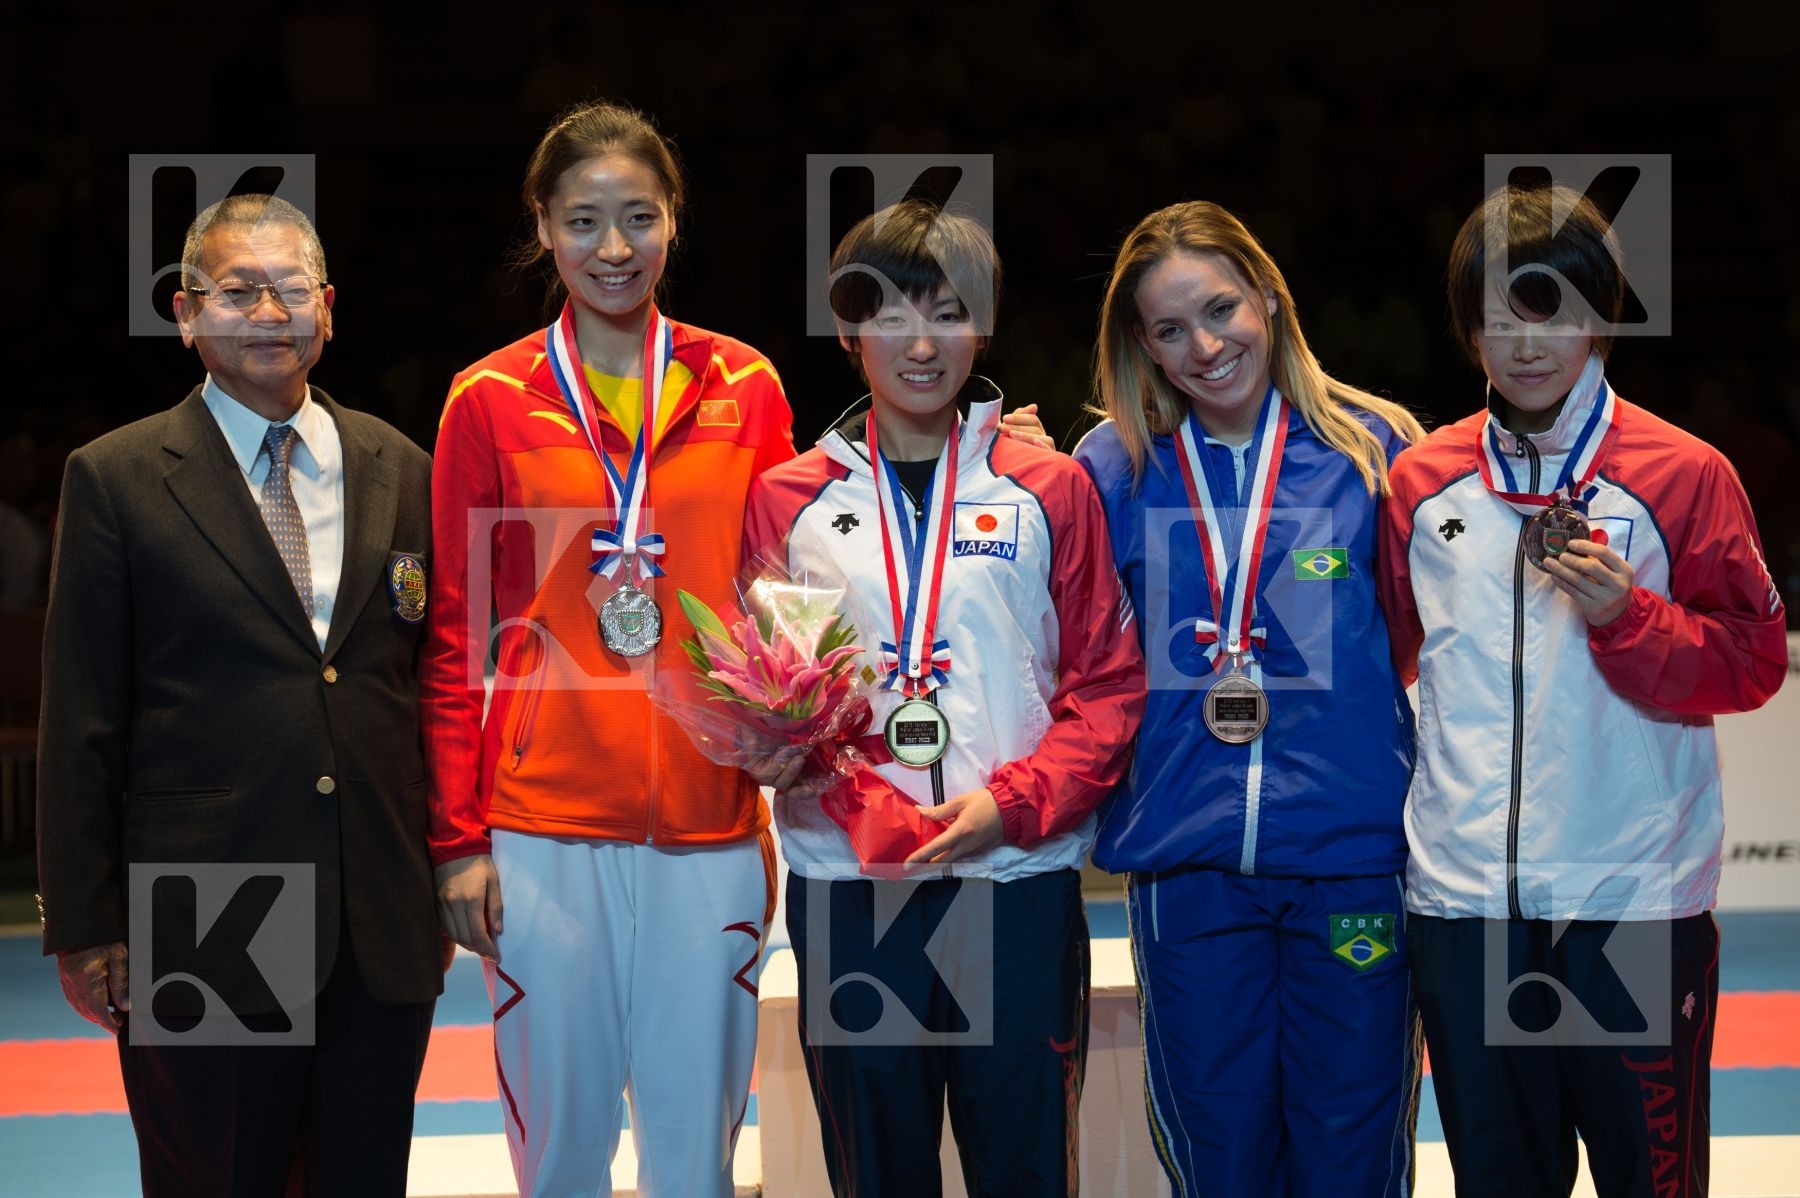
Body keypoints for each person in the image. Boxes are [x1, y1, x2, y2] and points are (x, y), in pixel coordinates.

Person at [1379, 182, 1789, 1198]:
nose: (1526, 342)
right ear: (1467, 326)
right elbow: (1391, 674)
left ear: (1602, 313)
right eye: (1499, 314)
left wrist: (1630, 617)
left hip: (1631, 906)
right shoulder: (1419, 486)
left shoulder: (1685, 475)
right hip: (1466, 910)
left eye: (1554, 308)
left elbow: (1754, 660)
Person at [36, 193, 442, 1196]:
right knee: (215, 1179)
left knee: (364, 1177)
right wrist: (85, 918)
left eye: (291, 289)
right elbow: (81, 713)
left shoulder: (405, 466)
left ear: (330, 308)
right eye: (238, 290)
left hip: (377, 906)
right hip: (202, 901)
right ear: (185, 312)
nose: (268, 312)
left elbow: (430, 686)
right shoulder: (118, 476)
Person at [744, 198, 1145, 1197]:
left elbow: (1106, 687)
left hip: (1012, 880)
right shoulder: (787, 498)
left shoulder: (1048, 487)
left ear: (984, 323)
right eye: (889, 314)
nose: (921, 342)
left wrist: (1011, 805)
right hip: (854, 885)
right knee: (877, 1172)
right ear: (848, 331)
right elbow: (773, 695)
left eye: (948, 310)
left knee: (1024, 1169)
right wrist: (776, 753)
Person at [1073, 199, 1427, 1197]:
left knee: (1352, 1154)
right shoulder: (1109, 470)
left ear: (1269, 297)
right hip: (1191, 870)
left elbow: (1415, 641)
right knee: (1221, 1162)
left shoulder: (1376, 450)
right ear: (1140, 341)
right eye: (1170, 329)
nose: (1204, 345)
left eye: (1221, 308)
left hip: (1350, 862)